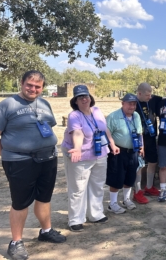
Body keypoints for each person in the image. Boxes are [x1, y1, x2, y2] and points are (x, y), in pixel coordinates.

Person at [0, 70, 66, 260]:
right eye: (29, 84)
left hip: (48, 158)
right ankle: (16, 242)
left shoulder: (44, 103)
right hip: (19, 161)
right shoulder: (7, 105)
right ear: (21, 82)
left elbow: (47, 127)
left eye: (37, 86)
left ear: (42, 88)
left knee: (44, 198)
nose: (33, 89)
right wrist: (7, 156)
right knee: (20, 203)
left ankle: (46, 231)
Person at [61, 85, 120, 232]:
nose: (83, 99)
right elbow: (77, 133)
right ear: (75, 101)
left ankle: (95, 213)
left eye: (85, 96)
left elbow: (104, 129)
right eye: (79, 97)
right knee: (78, 188)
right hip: (81, 155)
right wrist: (77, 148)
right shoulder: (74, 116)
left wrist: (112, 144)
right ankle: (75, 219)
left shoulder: (97, 111)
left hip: (100, 153)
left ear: (90, 97)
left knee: (97, 184)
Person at [105, 93, 144, 213]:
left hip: (133, 151)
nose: (132, 107)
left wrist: (142, 147)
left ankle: (126, 199)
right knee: (116, 178)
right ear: (123, 103)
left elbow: (140, 132)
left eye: (134, 104)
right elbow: (107, 133)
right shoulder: (113, 116)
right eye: (129, 104)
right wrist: (112, 145)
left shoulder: (136, 116)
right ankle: (112, 204)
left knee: (130, 177)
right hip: (118, 152)